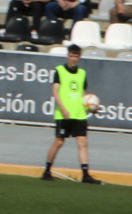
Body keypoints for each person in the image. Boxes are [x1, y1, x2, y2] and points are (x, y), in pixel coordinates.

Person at [41, 45, 102, 184]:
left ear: (79, 57)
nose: (73, 59)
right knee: (59, 142)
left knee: (83, 142)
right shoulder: (60, 71)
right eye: (71, 55)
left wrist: (90, 108)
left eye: (76, 56)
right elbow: (55, 91)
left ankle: (86, 175)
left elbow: (83, 94)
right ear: (68, 55)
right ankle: (47, 170)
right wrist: (62, 108)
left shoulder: (82, 73)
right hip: (64, 114)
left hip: (79, 113)